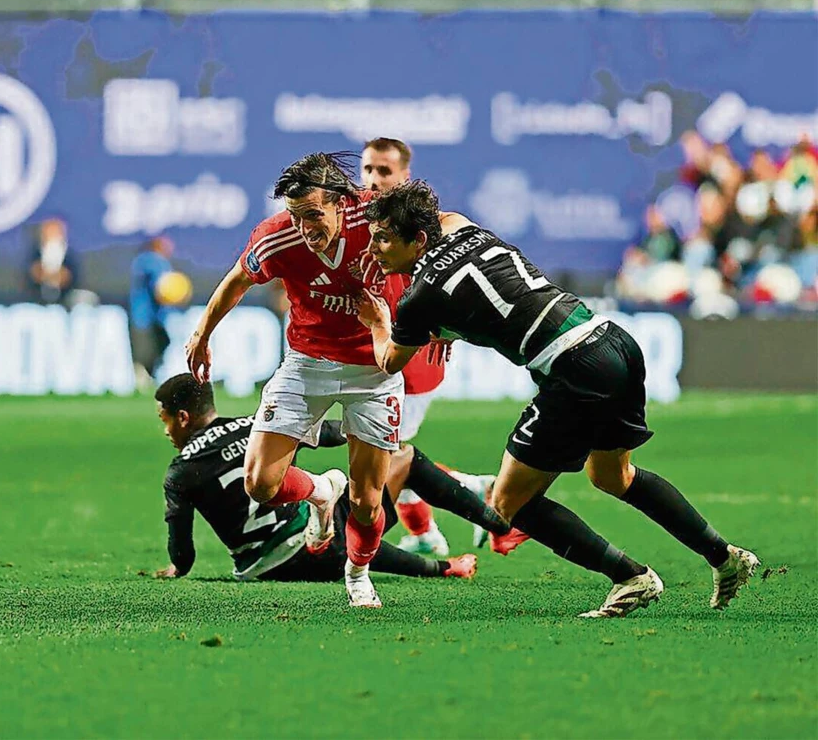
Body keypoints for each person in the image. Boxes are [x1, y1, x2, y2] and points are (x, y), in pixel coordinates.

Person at [357, 180, 760, 618]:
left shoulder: (418, 298)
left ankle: (632, 578)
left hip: (573, 369)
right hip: (612, 341)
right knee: (612, 476)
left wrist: (378, 320)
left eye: (383, 238)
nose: (374, 248)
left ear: (416, 239)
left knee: (508, 505)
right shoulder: (459, 226)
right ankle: (725, 557)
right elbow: (475, 285)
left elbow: (390, 361)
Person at [185, 153, 511, 608]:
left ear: (341, 203)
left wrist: (446, 319)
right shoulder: (276, 237)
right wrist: (201, 335)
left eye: (314, 215)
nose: (304, 228)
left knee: (367, 500)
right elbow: (239, 279)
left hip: (374, 371)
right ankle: (322, 490)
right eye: (296, 216)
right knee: (259, 483)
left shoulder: (375, 215)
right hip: (306, 363)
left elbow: (440, 231)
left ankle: (357, 575)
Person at [151, 374, 477, 582]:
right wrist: (365, 441)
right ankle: (488, 520)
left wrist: (177, 568)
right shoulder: (260, 427)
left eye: (164, 421)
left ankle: (445, 559)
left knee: (340, 522)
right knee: (401, 457)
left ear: (182, 418)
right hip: (317, 550)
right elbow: (332, 432)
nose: (166, 431)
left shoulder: (180, 471)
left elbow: (183, 554)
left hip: (261, 570)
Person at [361, 137, 499, 555]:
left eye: (384, 171)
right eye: (368, 169)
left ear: (405, 176)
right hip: (383, 346)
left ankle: (475, 491)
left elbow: (462, 281)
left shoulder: (428, 227)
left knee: (389, 457)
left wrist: (448, 328)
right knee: (385, 452)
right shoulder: (362, 218)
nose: (373, 178)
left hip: (416, 352)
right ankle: (424, 533)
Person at [130, 236, 176, 390]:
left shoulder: (143, 261)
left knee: (162, 343)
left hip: (153, 316)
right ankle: (141, 377)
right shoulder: (152, 261)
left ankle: (148, 375)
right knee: (147, 349)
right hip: (144, 316)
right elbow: (161, 288)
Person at [26, 217, 80, 305]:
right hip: (36, 304)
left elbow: (74, 278)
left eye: (56, 231)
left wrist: (61, 276)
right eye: (49, 231)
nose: (52, 234)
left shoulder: (70, 255)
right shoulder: (34, 253)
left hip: (64, 303)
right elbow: (27, 277)